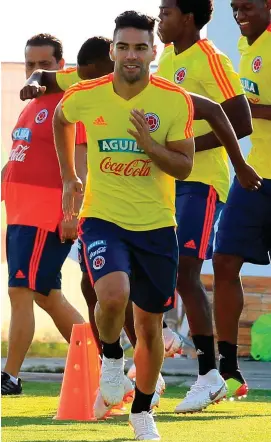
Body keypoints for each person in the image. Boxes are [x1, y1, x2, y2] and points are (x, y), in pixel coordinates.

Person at [53, 10, 195, 440]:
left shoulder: (174, 100)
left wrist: (150, 146)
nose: (131, 55)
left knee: (151, 326)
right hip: (103, 217)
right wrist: (69, 177)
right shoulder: (88, 93)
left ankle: (142, 411)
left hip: (156, 225)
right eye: (123, 47)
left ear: (154, 51)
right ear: (112, 49)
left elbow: (185, 166)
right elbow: (62, 118)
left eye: (139, 47)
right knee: (112, 294)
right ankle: (113, 361)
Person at [157, 0, 262, 413]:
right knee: (161, 263)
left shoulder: (211, 59)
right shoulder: (164, 57)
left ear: (186, 17)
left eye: (165, 12)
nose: (159, 19)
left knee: (186, 268)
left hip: (202, 181)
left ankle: (209, 374)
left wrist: (184, 150)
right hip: (163, 183)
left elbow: (241, 121)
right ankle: (159, 345)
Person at [1, 33, 86, 396]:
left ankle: (10, 377)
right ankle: (102, 363)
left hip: (43, 215)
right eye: (30, 64)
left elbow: (81, 162)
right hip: (20, 214)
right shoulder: (28, 104)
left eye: (44, 65)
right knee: (46, 296)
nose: (36, 71)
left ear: (61, 67)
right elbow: (19, 158)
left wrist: (72, 213)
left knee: (20, 291)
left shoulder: (69, 104)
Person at [213, 0, 271, 399]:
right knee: (224, 259)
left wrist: (249, 111)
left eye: (247, 6)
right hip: (254, 176)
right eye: (234, 7)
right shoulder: (247, 47)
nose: (238, 14)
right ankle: (228, 367)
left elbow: (250, 111)